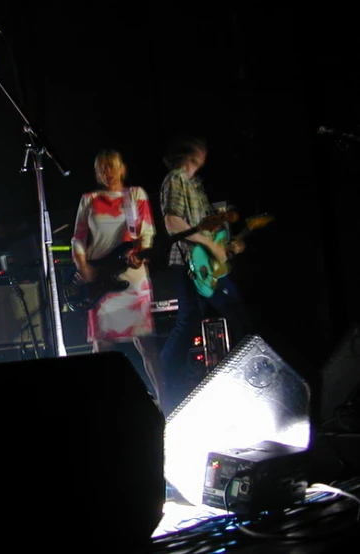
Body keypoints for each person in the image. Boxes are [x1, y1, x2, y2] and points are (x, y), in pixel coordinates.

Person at [158, 135, 252, 411]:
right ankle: (165, 382)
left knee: (200, 319)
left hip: (203, 264)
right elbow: (172, 221)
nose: (205, 153)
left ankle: (168, 381)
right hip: (187, 262)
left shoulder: (196, 185)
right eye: (200, 148)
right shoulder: (176, 179)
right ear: (189, 151)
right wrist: (210, 243)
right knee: (219, 316)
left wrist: (229, 245)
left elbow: (209, 228)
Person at [71, 149, 167, 409]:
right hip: (100, 278)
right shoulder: (89, 199)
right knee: (101, 346)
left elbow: (147, 233)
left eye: (111, 166)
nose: (107, 172)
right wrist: (84, 265)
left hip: (133, 278)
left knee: (146, 344)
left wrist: (140, 254)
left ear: (122, 168)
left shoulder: (136, 195)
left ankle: (165, 403)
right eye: (101, 168)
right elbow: (78, 238)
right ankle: (101, 405)